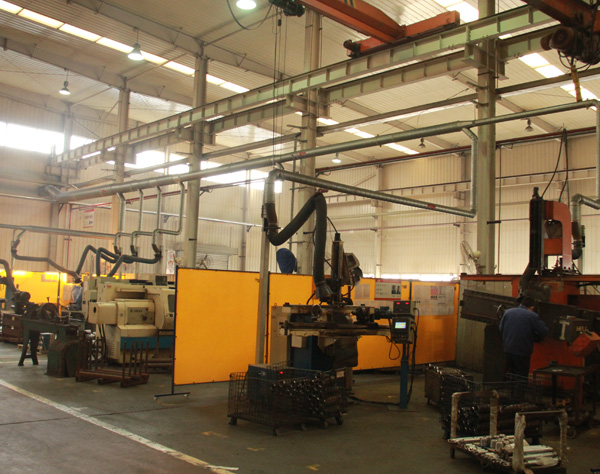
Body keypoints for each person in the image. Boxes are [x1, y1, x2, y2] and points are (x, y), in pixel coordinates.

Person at [499, 296, 548, 379]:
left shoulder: (507, 312)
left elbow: (501, 328)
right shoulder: (532, 316)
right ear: (532, 307)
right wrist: (534, 336)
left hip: (508, 350)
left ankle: (510, 387)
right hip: (522, 352)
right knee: (521, 377)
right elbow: (544, 331)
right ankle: (519, 388)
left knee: (510, 375)